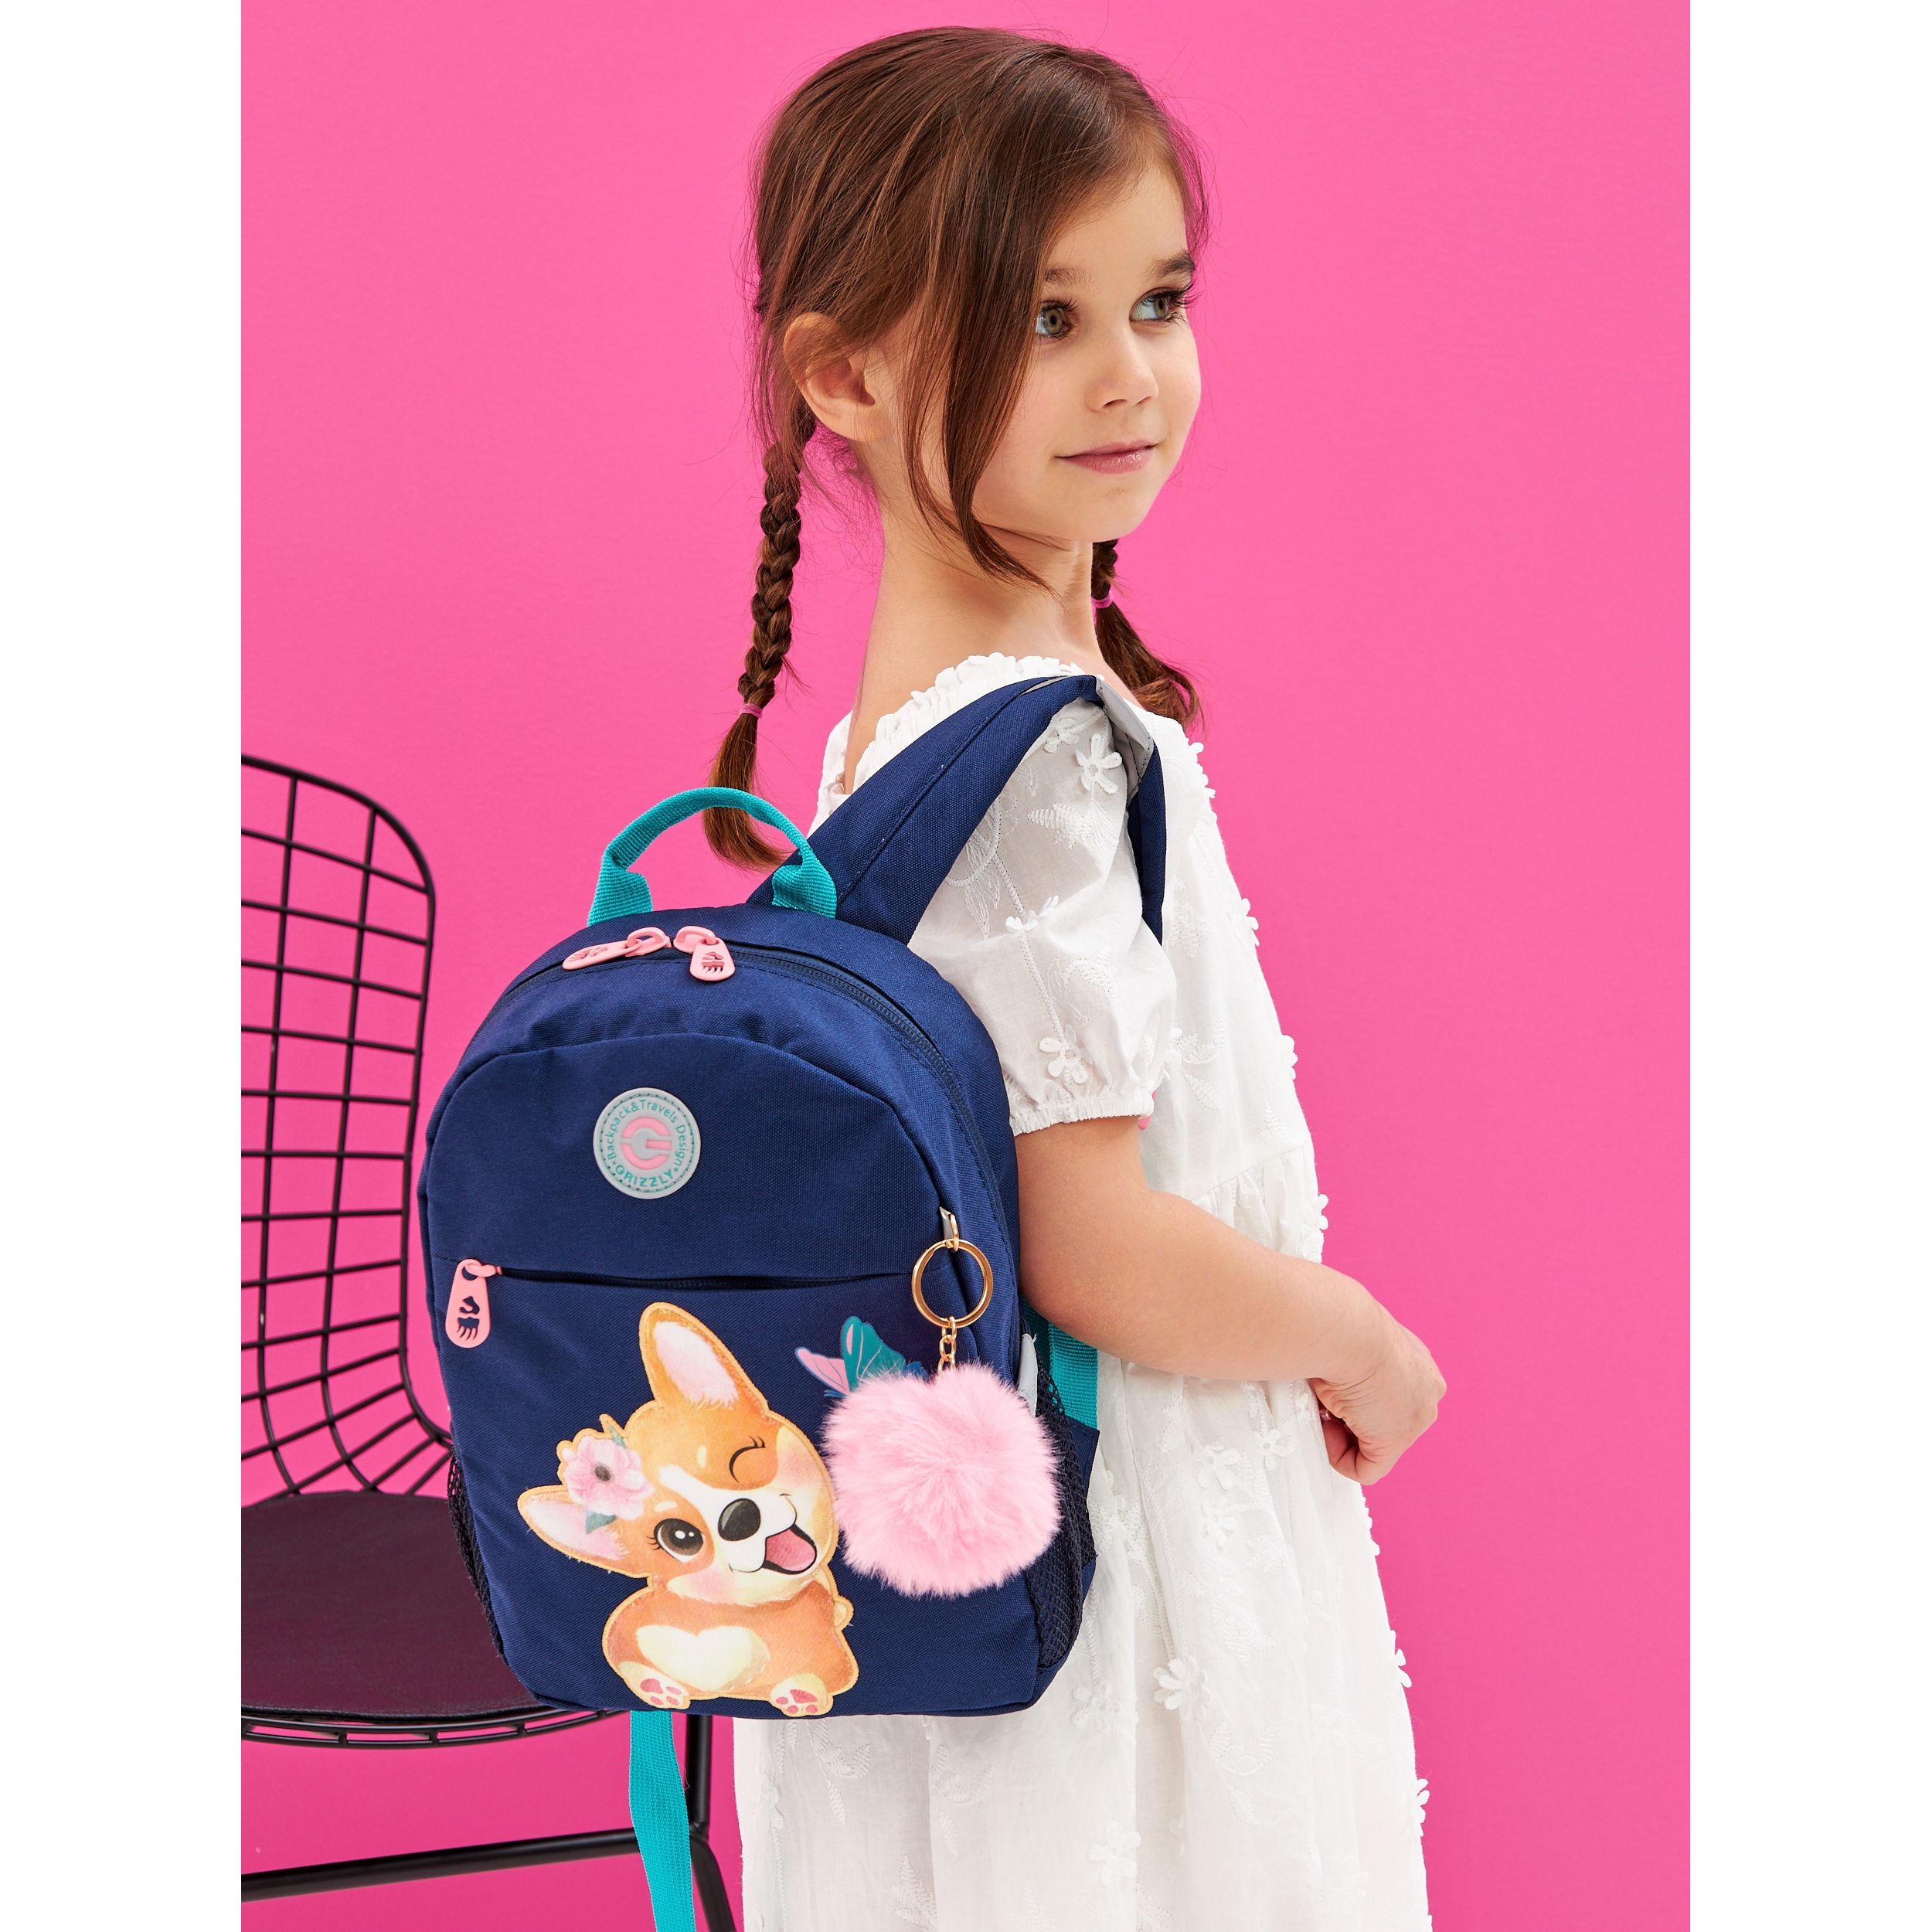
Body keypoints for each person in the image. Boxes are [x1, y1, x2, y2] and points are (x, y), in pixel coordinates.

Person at [705, 28, 1444, 1929]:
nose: (1128, 373)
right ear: (845, 374)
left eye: (1156, 300)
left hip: (999, 1529)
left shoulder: (893, 739)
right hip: (1123, 1527)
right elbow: (1085, 1240)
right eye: (1043, 318)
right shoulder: (1029, 764)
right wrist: (1356, 1336)